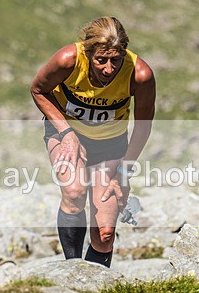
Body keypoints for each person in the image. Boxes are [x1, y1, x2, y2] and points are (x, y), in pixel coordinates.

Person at [30, 17, 156, 267]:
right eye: (101, 60)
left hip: (110, 144)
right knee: (74, 191)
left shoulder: (140, 74)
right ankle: (72, 271)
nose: (109, 69)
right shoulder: (68, 60)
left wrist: (124, 169)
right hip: (65, 134)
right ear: (88, 53)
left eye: (116, 60)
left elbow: (143, 125)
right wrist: (66, 133)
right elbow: (38, 90)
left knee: (105, 234)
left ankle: (95, 285)